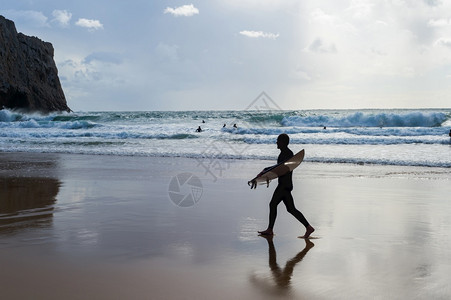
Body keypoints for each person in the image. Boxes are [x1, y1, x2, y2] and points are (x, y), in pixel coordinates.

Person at [250, 133, 315, 238]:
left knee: (273, 204)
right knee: (291, 209)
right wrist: (264, 172)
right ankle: (309, 227)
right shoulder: (284, 153)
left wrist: (265, 171)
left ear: (283, 142)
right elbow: (278, 168)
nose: (276, 142)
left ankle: (270, 229)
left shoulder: (287, 154)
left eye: (278, 141)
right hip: (286, 185)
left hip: (284, 186)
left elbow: (281, 167)